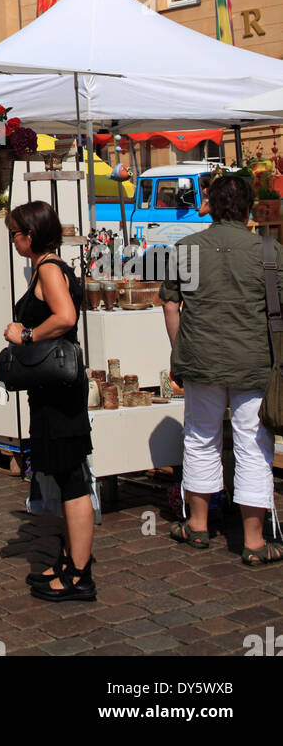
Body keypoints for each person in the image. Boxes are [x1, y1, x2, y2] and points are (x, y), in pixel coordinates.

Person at [161, 172, 283, 565]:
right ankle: (252, 541)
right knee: (253, 446)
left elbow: (169, 304)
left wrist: (179, 352)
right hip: (253, 361)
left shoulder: (186, 249)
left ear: (211, 203)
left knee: (200, 437)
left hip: (202, 359)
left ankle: (197, 525)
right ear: (248, 207)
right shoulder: (270, 251)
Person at [5, 200, 96, 602]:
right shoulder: (50, 264)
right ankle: (70, 559)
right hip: (54, 387)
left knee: (71, 477)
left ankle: (79, 573)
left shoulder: (47, 267)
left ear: (32, 234)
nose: (13, 239)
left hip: (59, 390)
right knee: (64, 473)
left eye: (16, 233)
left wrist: (25, 335)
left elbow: (65, 317)